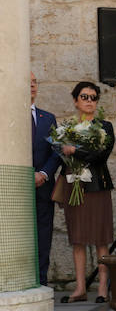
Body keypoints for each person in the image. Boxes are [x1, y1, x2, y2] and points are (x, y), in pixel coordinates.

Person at [57, 82, 114, 303]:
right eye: (84, 97)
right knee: (77, 238)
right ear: (75, 100)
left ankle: (102, 288)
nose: (89, 101)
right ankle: (80, 288)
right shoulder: (67, 128)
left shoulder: (105, 126)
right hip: (73, 184)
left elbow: (101, 155)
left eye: (93, 97)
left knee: (101, 237)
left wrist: (76, 150)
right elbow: (60, 154)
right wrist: (68, 152)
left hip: (97, 185)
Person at [31, 72, 59, 287]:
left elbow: (56, 151)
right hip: (15, 187)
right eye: (27, 82)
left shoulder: (47, 118)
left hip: (43, 185)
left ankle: (41, 281)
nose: (32, 86)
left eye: (34, 82)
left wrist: (44, 174)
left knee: (43, 234)